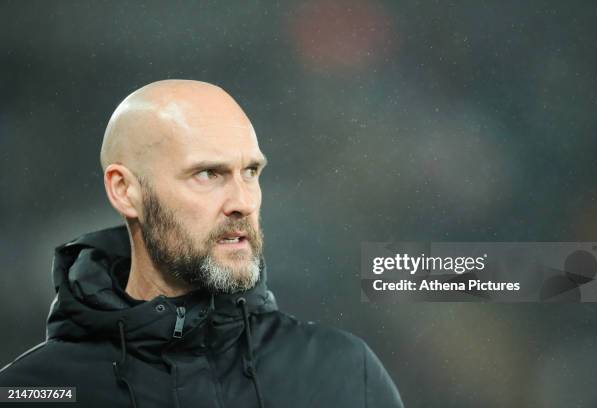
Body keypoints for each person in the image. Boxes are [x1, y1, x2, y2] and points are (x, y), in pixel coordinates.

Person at [0, 80, 404, 407]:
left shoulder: (343, 373)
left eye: (250, 171)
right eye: (208, 174)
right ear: (125, 191)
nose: (243, 202)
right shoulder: (30, 391)